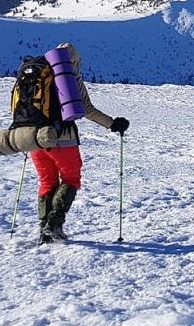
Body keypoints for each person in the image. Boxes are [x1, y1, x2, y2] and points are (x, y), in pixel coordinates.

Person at [33, 42, 128, 243]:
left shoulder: (38, 74)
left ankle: (44, 230)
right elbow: (86, 109)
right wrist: (112, 124)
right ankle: (54, 224)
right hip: (63, 138)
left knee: (47, 181)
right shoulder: (69, 76)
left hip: (35, 138)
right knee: (71, 179)